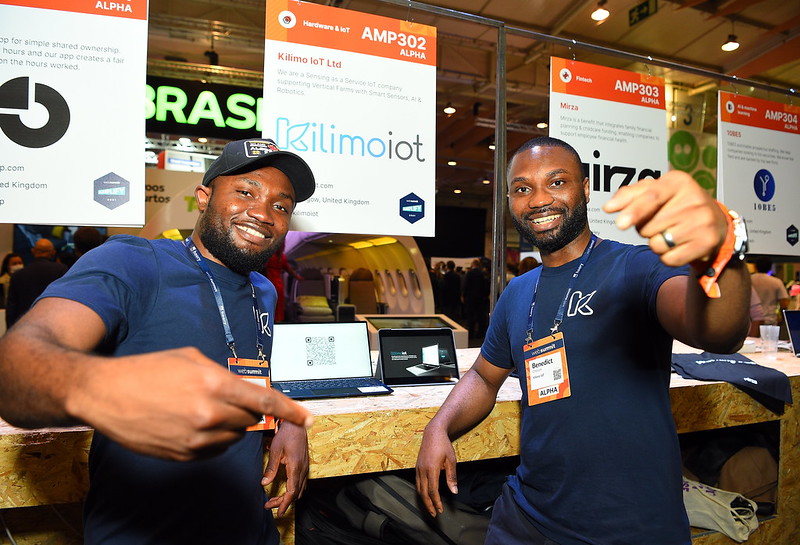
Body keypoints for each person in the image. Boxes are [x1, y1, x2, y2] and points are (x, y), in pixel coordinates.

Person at [416, 136, 750, 545]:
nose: (539, 199)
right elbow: (485, 377)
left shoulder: (635, 269)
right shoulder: (519, 292)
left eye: (557, 182)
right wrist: (439, 426)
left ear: (586, 189)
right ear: (509, 200)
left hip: (631, 526)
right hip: (528, 520)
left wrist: (722, 250)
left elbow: (719, 332)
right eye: (523, 189)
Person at [0, 138, 317, 545]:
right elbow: (18, 366)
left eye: (281, 205)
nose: (262, 212)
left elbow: (243, 372)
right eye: (245, 191)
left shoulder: (262, 290)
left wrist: (287, 416)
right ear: (204, 197)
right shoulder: (134, 262)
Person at [5, 238, 69, 328]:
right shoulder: (61, 270)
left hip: (23, 327)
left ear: (33, 251)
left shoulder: (18, 275)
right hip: (53, 326)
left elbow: (11, 308)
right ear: (53, 252)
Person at [264, 240, 302, 322]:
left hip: (270, 281)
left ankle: (270, 319)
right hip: (277, 282)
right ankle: (278, 319)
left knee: (271, 301)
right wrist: (297, 277)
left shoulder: (270, 255)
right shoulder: (282, 257)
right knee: (279, 301)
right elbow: (289, 269)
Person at [750, 256, 789, 325]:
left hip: (751, 321)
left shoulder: (748, 280)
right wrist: (782, 319)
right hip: (770, 321)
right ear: (770, 267)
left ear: (755, 267)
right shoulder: (776, 282)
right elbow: (784, 303)